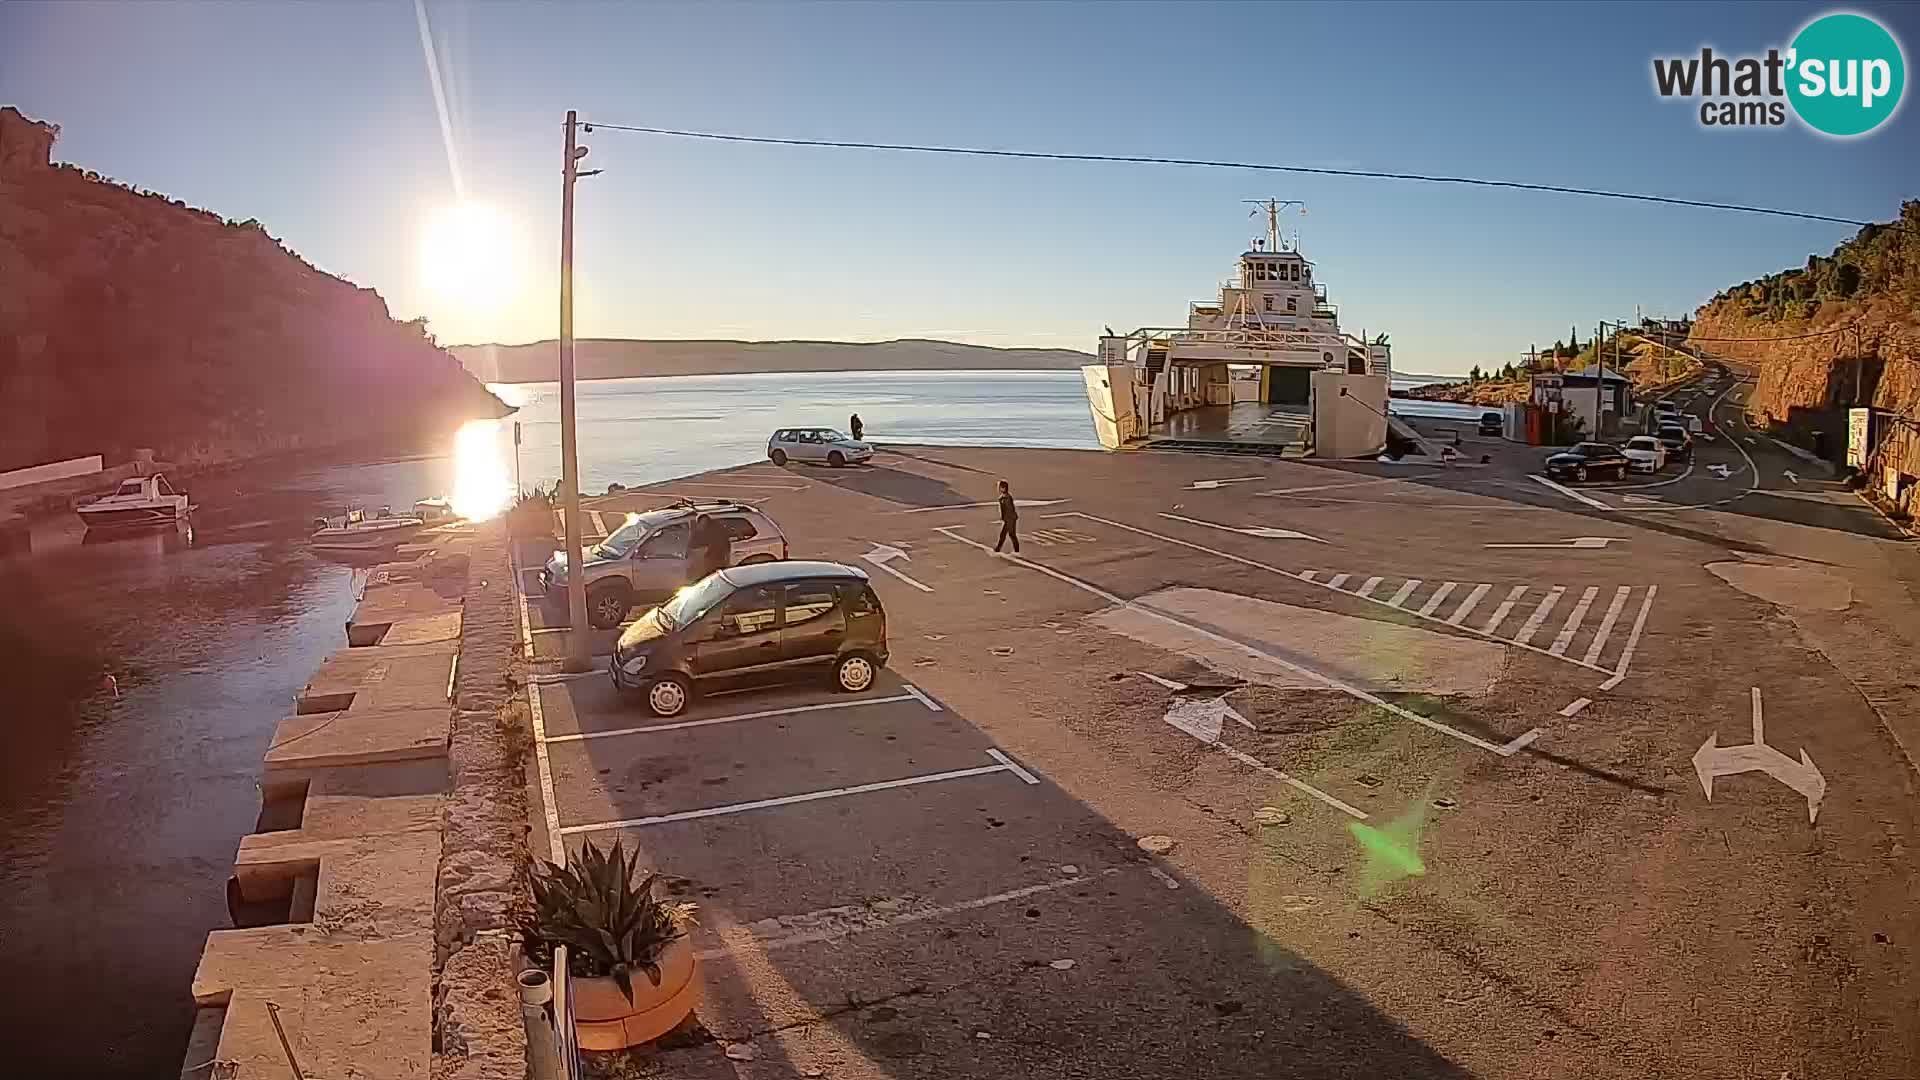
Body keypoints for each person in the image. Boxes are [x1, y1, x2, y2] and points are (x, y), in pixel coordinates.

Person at [993, 480, 1020, 554]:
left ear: (1003, 488)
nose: (998, 488)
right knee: (1009, 535)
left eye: (1000, 487)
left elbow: (1009, 510)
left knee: (1008, 534)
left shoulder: (1006, 498)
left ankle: (998, 549)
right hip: (1009, 519)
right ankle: (1015, 550)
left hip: (1010, 519)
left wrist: (1006, 519)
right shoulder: (1003, 497)